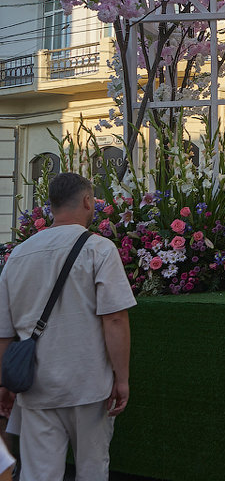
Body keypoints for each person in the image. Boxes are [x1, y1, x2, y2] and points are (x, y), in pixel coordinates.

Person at [0, 172, 135, 481]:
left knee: (38, 474)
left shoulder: (17, 255)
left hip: (35, 385)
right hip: (89, 383)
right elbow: (114, 319)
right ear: (88, 201)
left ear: (52, 206)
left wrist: (3, 383)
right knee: (91, 470)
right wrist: (122, 377)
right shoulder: (99, 249)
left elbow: (4, 333)